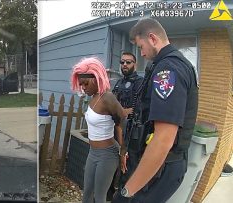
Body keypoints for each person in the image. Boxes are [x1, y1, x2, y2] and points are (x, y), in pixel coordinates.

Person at [112, 18, 199, 203]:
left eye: (141, 46)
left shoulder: (168, 69)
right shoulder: (162, 65)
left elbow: (163, 140)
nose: (141, 53)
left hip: (161, 169)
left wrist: (127, 192)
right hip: (154, 165)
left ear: (152, 38)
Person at [71, 57, 127, 203]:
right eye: (81, 84)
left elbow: (123, 120)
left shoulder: (107, 97)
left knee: (100, 196)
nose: (83, 87)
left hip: (107, 154)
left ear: (96, 78)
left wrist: (123, 152)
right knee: (87, 194)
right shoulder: (93, 96)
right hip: (93, 152)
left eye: (86, 83)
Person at [111, 52, 143, 191]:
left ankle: (124, 194)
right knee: (113, 161)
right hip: (116, 128)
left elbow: (139, 108)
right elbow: (111, 105)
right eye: (122, 62)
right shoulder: (119, 83)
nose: (124, 64)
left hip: (131, 131)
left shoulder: (140, 82)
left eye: (128, 62)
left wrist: (122, 111)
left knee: (127, 166)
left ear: (135, 64)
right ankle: (110, 192)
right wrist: (122, 111)